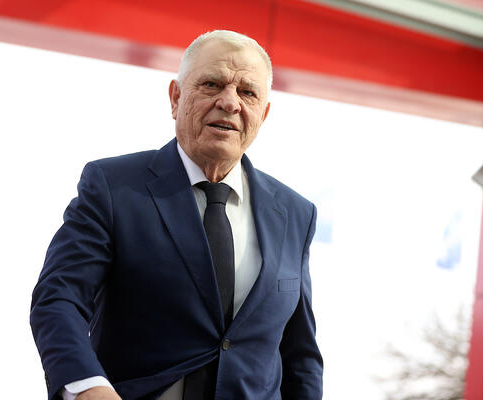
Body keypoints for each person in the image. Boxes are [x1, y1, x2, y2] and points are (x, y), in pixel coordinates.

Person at [30, 30, 323, 400]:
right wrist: (88, 387)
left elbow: (300, 355)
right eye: (212, 84)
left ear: (263, 114)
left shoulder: (296, 214)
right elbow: (59, 298)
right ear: (176, 97)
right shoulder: (113, 187)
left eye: (248, 92)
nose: (229, 102)